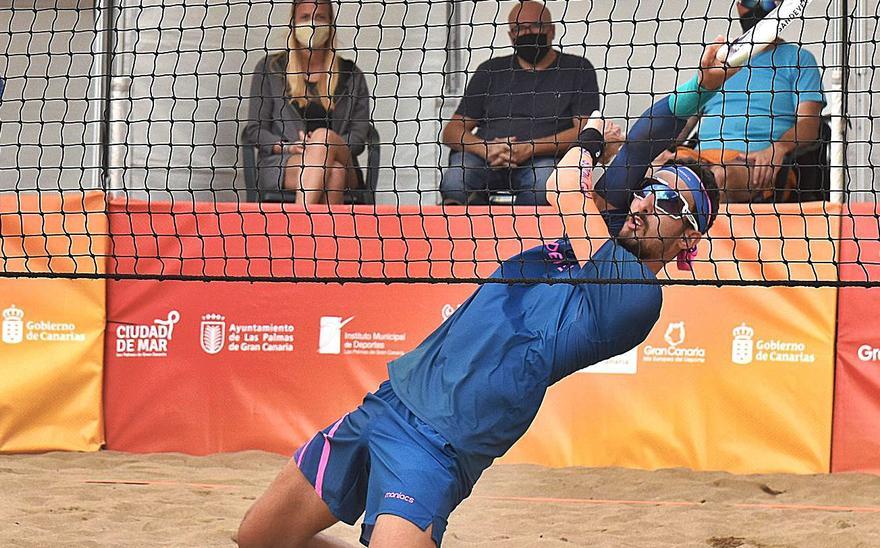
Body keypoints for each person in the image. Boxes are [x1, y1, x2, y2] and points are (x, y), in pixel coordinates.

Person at [236, 37, 738, 548]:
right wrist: (701, 88)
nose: (647, 203)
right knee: (257, 538)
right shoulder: (610, 223)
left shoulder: (635, 296)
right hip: (390, 402)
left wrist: (587, 137)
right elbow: (643, 140)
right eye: (650, 189)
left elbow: (563, 184)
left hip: (443, 445)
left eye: (671, 202)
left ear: (689, 238)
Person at [660, 0, 825, 202]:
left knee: (717, 177)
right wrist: (658, 149)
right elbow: (686, 117)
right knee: (647, 170)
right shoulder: (723, 58)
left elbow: (809, 125)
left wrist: (778, 148)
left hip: (754, 162)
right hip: (698, 158)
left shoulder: (799, 59)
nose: (753, 6)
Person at [439, 0, 600, 206]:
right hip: (486, 157)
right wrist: (486, 149)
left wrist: (529, 148)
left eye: (535, 26)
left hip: (544, 159)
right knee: (455, 180)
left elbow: (584, 132)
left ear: (551, 31)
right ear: (510, 36)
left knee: (544, 185)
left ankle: (526, 238)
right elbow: (452, 131)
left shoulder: (578, 69)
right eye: (518, 29)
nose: (527, 33)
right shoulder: (490, 70)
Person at [242, 0, 374, 205]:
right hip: (284, 163)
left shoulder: (351, 75)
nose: (312, 24)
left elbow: (357, 139)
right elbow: (255, 130)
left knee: (323, 139)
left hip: (344, 160)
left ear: (330, 25)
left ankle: (298, 228)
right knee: (334, 174)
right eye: (305, 17)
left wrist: (322, 145)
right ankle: (324, 237)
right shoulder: (271, 69)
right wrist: (288, 147)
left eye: (320, 17)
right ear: (293, 24)